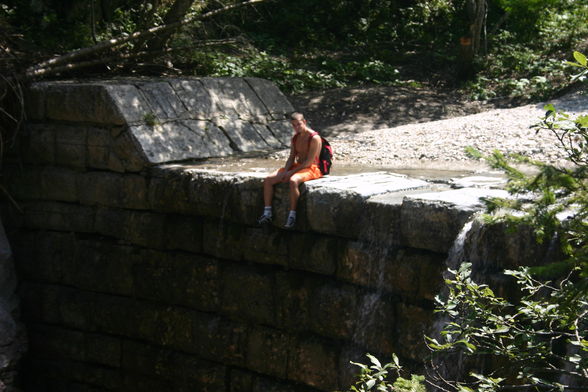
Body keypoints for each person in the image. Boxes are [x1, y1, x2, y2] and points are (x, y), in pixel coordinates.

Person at [258, 112, 323, 228]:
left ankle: (292, 215)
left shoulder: (314, 138)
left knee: (293, 181)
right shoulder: (295, 138)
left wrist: (291, 173)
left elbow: (309, 162)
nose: (296, 128)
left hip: (311, 168)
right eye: (294, 125)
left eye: (298, 124)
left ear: (304, 122)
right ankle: (267, 213)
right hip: (297, 166)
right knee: (268, 179)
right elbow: (291, 157)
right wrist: (286, 171)